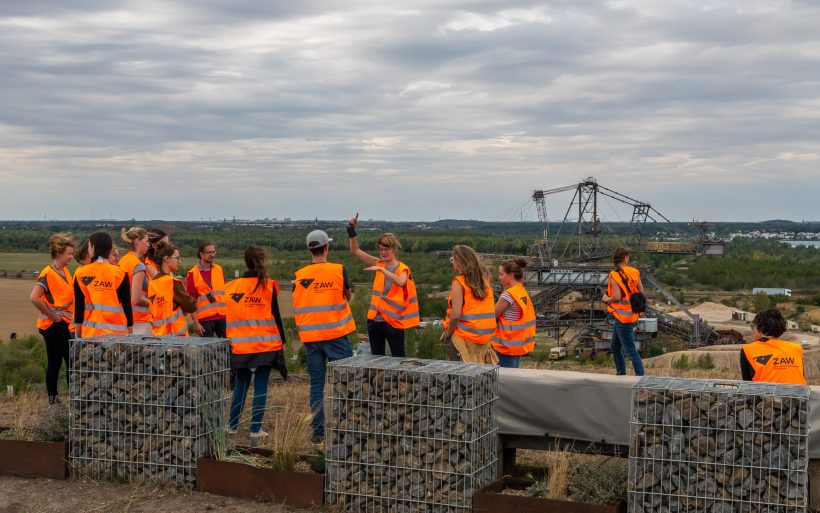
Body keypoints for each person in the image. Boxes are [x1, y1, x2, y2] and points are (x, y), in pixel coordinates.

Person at [293, 229, 355, 443]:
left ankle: (318, 433)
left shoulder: (300, 275)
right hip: (335, 335)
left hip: (311, 339)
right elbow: (347, 296)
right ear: (326, 247)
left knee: (317, 385)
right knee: (346, 381)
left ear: (309, 249)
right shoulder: (338, 270)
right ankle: (347, 427)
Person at [225, 245, 288, 437]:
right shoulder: (269, 285)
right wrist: (282, 342)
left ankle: (232, 426)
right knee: (261, 385)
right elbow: (276, 317)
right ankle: (255, 429)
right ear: (262, 261)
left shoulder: (231, 288)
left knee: (241, 385)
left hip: (240, 346)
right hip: (265, 345)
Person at [347, 213, 419, 356]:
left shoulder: (402, 268)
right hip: (375, 320)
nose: (383, 252)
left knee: (399, 358)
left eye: (386, 249)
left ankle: (398, 379)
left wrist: (382, 269)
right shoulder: (378, 263)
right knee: (377, 360)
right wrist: (351, 231)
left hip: (393, 322)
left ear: (393, 249)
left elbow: (401, 281)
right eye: (381, 250)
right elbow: (355, 250)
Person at [30, 233, 75, 404]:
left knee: (70, 362)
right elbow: (34, 297)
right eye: (69, 253)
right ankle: (53, 400)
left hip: (64, 324)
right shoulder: (47, 273)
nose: (71, 257)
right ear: (59, 253)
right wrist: (53, 316)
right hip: (52, 325)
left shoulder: (64, 271)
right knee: (55, 363)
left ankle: (73, 398)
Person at [441, 245, 498, 364]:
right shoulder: (485, 280)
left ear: (458, 263)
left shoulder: (459, 282)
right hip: (483, 339)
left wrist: (448, 334)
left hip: (464, 338)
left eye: (453, 260)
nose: (452, 263)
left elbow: (456, 315)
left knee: (460, 376)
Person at [74, 232, 133, 338]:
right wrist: (130, 333)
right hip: (118, 335)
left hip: (90, 335)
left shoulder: (80, 274)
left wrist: (78, 336)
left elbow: (79, 309)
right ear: (110, 249)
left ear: (91, 248)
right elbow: (127, 307)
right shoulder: (121, 273)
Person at [601, 247, 645, 376]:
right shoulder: (635, 272)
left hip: (622, 317)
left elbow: (616, 297)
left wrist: (606, 298)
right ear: (625, 258)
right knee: (615, 347)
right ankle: (621, 373)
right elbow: (641, 293)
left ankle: (640, 379)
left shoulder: (614, 275)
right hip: (631, 315)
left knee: (631, 351)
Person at [741, 309, 806, 384]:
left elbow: (747, 383)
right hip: (800, 394)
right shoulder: (796, 348)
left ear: (759, 328)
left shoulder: (748, 350)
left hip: (766, 394)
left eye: (753, 326)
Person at [491, 258, 536, 368]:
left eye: (501, 274)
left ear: (511, 275)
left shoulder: (508, 295)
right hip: (517, 345)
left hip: (506, 347)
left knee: (503, 380)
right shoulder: (521, 291)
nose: (499, 278)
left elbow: (490, 316)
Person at [147, 242, 196, 336]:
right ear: (166, 258)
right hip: (177, 338)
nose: (179, 261)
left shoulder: (152, 283)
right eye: (177, 258)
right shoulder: (172, 282)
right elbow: (191, 305)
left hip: (159, 336)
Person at [186, 241, 227, 338]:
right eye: (209, 252)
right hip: (205, 320)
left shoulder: (219, 269)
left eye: (213, 252)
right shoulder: (192, 273)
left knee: (228, 348)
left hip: (222, 316)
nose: (212, 255)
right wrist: (196, 323)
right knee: (207, 351)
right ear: (201, 254)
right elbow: (191, 301)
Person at [118, 227, 153, 335]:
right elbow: (136, 299)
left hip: (124, 317)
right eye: (146, 241)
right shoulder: (138, 265)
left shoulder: (123, 260)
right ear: (138, 241)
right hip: (139, 321)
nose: (148, 245)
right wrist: (155, 304)